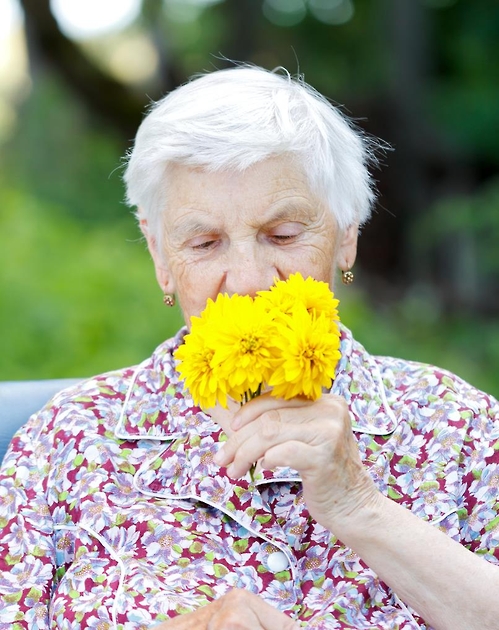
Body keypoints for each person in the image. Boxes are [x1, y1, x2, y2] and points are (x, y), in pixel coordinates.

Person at [1, 65, 498, 630]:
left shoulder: (458, 426)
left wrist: (360, 506)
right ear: (161, 255)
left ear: (348, 234)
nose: (247, 279)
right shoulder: (66, 442)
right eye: (205, 242)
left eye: (283, 235)